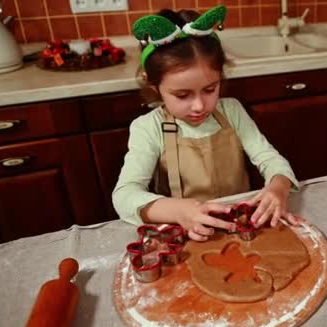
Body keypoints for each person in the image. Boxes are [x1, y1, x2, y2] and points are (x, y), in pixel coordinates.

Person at [112, 5, 299, 241]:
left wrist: (278, 186)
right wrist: (179, 211)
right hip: (187, 235)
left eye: (210, 89)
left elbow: (270, 159)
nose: (199, 105)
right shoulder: (147, 128)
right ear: (155, 87)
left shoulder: (232, 111)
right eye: (182, 95)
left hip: (240, 229)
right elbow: (124, 196)